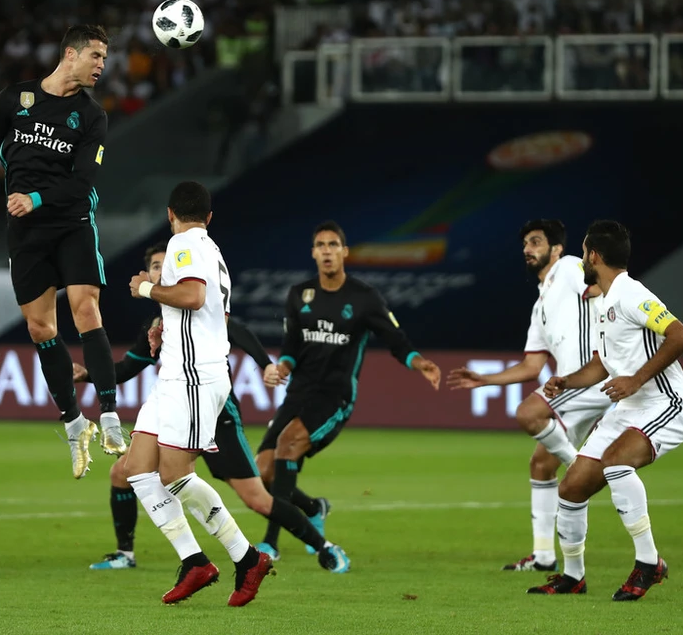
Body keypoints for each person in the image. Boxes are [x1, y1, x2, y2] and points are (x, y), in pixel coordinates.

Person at [76, 242, 350, 574]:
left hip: (216, 417)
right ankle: (126, 553)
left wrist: (265, 363)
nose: (164, 272)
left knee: (257, 499)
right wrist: (90, 375)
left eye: (168, 265)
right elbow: (126, 369)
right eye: (157, 267)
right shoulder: (159, 324)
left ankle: (325, 546)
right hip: (176, 413)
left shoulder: (201, 312)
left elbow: (240, 331)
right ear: (149, 273)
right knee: (123, 472)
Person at [0, 24, 125, 479]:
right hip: (26, 233)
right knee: (39, 327)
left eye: (105, 59)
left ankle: (110, 415)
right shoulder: (13, 101)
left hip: (71, 222)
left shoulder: (92, 116)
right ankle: (75, 425)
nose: (101, 65)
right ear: (69, 54)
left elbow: (83, 181)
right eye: (96, 55)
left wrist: (36, 198)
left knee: (85, 306)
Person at [121, 181, 271, 607]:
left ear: (170, 214)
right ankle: (194, 562)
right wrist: (161, 323)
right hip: (175, 372)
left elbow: (192, 295)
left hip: (194, 378)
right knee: (138, 468)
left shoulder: (184, 245)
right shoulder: (211, 249)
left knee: (173, 474)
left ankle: (247, 558)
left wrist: (146, 290)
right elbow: (209, 313)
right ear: (208, 216)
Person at [254, 220, 441, 561]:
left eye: (333, 245)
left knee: (286, 446)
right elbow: (291, 347)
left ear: (344, 252)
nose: (327, 251)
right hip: (297, 393)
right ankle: (313, 508)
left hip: (334, 397)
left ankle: (270, 543)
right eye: (320, 245)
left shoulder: (364, 298)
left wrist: (420, 363)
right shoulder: (300, 294)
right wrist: (282, 367)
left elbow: (396, 342)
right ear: (313, 253)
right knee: (263, 472)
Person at [530, 220, 683, 600]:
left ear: (594, 256)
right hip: (628, 408)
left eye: (585, 252)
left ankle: (648, 563)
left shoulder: (632, 294)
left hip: (664, 403)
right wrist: (566, 381)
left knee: (617, 463)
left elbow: (681, 335)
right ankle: (573, 577)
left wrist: (636, 380)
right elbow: (603, 365)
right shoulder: (604, 301)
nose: (582, 259)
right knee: (571, 488)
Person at [447, 219, 610, 571]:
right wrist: (485, 380)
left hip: (592, 380)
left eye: (535, 241)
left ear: (555, 249)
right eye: (525, 243)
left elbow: (598, 286)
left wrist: (606, 308)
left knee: (528, 414)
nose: (527, 249)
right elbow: (531, 366)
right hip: (572, 391)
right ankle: (544, 556)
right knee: (539, 463)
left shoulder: (568, 268)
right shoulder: (540, 305)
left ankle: (582, 468)